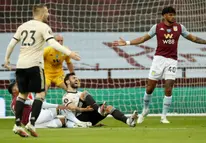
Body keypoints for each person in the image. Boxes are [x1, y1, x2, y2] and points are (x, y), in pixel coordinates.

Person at [113, 6, 206, 124]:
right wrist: (127, 43)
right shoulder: (157, 27)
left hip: (172, 60)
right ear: (164, 16)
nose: (173, 17)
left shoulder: (180, 27)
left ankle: (164, 116)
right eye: (170, 15)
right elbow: (143, 38)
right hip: (158, 60)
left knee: (169, 88)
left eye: (173, 14)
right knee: (150, 88)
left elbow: (193, 38)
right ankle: (145, 109)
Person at [3, 4, 80, 137]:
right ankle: (31, 123)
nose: (48, 14)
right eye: (47, 12)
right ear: (42, 13)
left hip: (21, 65)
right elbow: (53, 43)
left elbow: (11, 44)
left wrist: (7, 59)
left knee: (22, 95)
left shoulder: (23, 26)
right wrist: (69, 52)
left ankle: (17, 125)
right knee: (40, 94)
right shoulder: (44, 27)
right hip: (35, 65)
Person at [62, 73, 138, 127]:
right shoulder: (66, 97)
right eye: (74, 78)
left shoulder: (80, 93)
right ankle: (99, 109)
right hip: (78, 119)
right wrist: (85, 109)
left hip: (89, 118)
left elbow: (91, 105)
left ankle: (128, 121)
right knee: (85, 93)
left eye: (77, 78)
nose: (76, 80)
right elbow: (72, 108)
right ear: (67, 81)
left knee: (109, 108)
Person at [8, 82, 91, 131]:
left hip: (30, 124)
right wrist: (57, 106)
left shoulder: (12, 103)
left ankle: (75, 126)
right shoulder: (19, 98)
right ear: (14, 91)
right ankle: (79, 122)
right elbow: (39, 103)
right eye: (17, 86)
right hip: (34, 117)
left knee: (61, 122)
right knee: (62, 108)